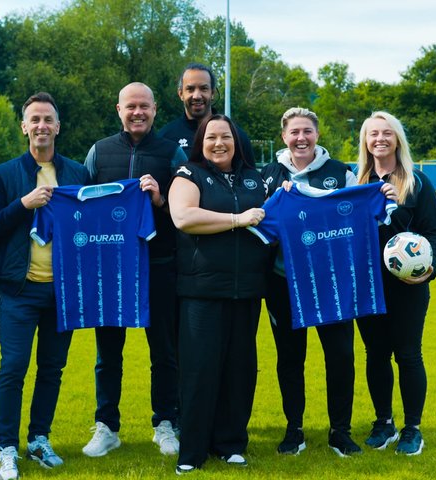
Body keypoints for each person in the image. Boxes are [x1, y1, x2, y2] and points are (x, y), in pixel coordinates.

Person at [0, 92, 89, 480]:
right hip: (19, 289)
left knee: (52, 369)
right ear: (24, 127)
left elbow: (92, 226)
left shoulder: (77, 173)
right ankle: (6, 448)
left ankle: (39, 438)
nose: (42, 126)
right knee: (13, 367)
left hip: (62, 292)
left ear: (58, 127)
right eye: (34, 120)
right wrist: (23, 204)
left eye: (48, 120)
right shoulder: (7, 174)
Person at [81, 82, 186, 457]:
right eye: (131, 106)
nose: (137, 112)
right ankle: (107, 426)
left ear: (155, 109)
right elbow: (82, 207)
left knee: (165, 351)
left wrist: (158, 199)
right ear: (118, 109)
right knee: (107, 353)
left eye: (144, 106)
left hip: (158, 266)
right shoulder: (99, 152)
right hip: (110, 270)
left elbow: (184, 213)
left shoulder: (171, 154)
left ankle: (166, 423)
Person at [168, 114, 270, 474]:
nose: (218, 143)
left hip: (246, 291)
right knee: (199, 370)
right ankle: (192, 451)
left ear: (237, 141)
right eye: (211, 137)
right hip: (202, 291)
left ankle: (231, 443)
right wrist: (238, 219)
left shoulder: (255, 179)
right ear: (201, 142)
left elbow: (274, 219)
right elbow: (183, 217)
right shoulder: (188, 174)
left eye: (225, 137)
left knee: (239, 369)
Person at [260, 107, 362, 457]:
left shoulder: (341, 174)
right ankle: (294, 430)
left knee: (340, 357)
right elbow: (258, 224)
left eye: (307, 131)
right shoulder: (268, 175)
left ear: (317, 135)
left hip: (330, 284)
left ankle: (340, 431)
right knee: (290, 358)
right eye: (294, 132)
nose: (301, 138)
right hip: (282, 283)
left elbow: (358, 219)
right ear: (283, 136)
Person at [354, 111, 436, 456]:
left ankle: (412, 428)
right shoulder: (356, 183)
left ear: (397, 139)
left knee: (408, 354)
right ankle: (384, 423)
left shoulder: (416, 182)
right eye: (373, 133)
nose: (380, 138)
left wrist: (429, 266)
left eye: (387, 133)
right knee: (375, 354)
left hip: (408, 286)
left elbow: (433, 231)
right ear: (365, 141)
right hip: (367, 285)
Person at [158, 63, 255, 163]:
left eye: (203, 88)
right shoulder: (165, 137)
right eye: (190, 89)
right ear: (181, 94)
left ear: (212, 93)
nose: (197, 96)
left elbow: (250, 176)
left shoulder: (236, 136)